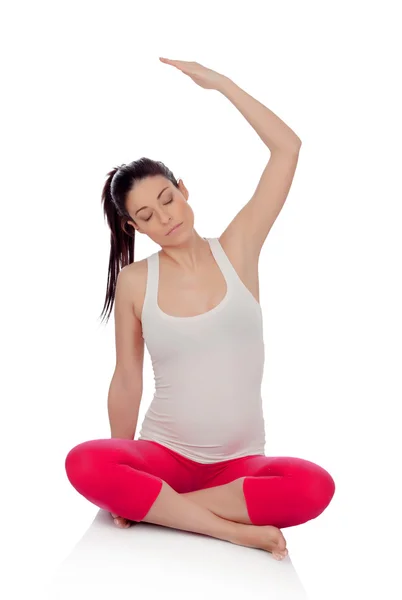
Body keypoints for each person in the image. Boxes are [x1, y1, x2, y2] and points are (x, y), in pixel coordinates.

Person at [65, 61, 336, 561]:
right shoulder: (136, 282)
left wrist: (224, 85)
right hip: (163, 456)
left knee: (313, 486)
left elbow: (288, 149)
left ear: (183, 190)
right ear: (134, 228)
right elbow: (127, 379)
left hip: (238, 466)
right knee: (85, 463)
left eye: (168, 199)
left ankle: (167, 512)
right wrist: (122, 468)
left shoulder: (238, 249)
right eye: (146, 215)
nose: (165, 217)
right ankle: (231, 529)